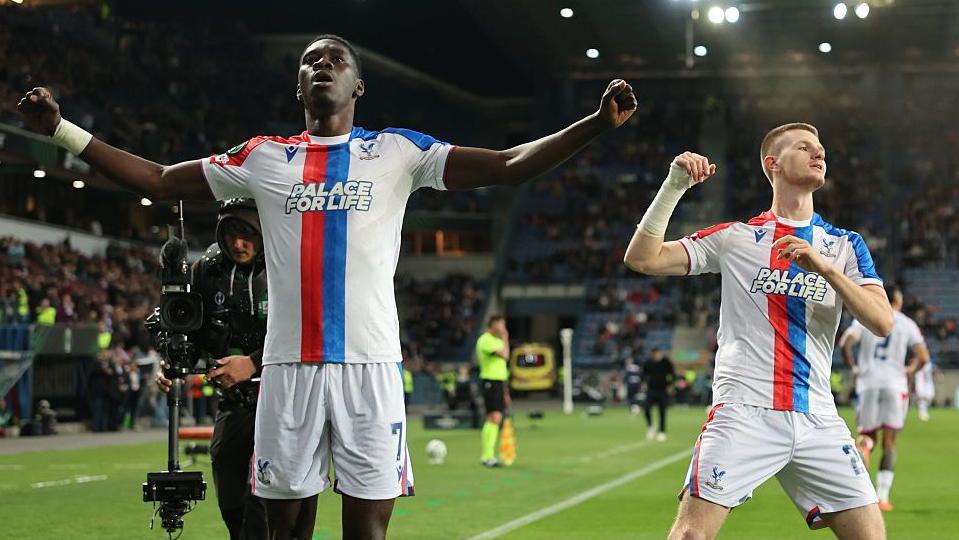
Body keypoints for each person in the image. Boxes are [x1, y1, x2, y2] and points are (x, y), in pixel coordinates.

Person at [19, 34, 636, 539]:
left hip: (370, 367)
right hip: (287, 371)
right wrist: (61, 130)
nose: (322, 67)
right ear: (298, 85)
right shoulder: (263, 158)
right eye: (310, 61)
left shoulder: (398, 152)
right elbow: (156, 179)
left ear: (357, 85)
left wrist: (595, 124)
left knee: (367, 532)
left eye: (335, 60)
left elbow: (507, 165)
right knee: (284, 530)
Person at [624, 123, 894, 539]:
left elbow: (881, 321)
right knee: (691, 535)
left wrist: (823, 269)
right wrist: (674, 186)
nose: (818, 153)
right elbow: (642, 258)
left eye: (820, 148)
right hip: (744, 411)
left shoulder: (844, 246)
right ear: (774, 164)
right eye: (804, 147)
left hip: (818, 416)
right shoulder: (736, 238)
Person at [155, 198, 271, 540]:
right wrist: (174, 360)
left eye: (247, 233)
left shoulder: (286, 262)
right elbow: (188, 324)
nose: (238, 243)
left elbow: (308, 327)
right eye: (231, 233)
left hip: (285, 398)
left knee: (271, 494)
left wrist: (252, 362)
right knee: (229, 486)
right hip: (235, 401)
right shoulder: (206, 269)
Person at [839, 283, 929, 512]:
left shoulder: (864, 317)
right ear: (898, 301)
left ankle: (862, 497)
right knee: (889, 443)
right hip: (894, 385)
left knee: (866, 439)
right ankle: (883, 497)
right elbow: (923, 357)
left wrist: (855, 368)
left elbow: (845, 343)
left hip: (867, 384)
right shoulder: (907, 323)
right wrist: (911, 370)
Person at [475, 315, 511, 468]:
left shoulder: (497, 341)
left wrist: (505, 391)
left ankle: (488, 455)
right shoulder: (485, 340)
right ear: (493, 324)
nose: (503, 327)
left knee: (495, 418)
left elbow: (506, 358)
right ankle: (487, 456)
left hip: (499, 383)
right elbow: (504, 355)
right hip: (490, 381)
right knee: (494, 417)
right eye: (501, 324)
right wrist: (505, 337)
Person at [641, 348, 675, 441]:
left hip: (663, 390)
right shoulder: (648, 363)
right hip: (651, 390)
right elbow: (644, 374)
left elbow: (672, 374)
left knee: (662, 411)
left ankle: (662, 431)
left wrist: (670, 385)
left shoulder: (666, 362)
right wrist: (643, 383)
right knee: (646, 408)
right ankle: (650, 426)